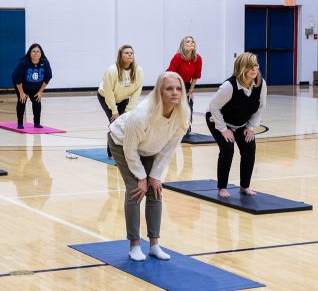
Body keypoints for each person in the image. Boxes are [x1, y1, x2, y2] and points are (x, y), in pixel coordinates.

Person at [108, 71, 191, 261]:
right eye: (169, 89)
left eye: (178, 89)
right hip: (122, 142)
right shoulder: (141, 115)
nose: (175, 93)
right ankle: (134, 245)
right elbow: (130, 150)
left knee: (155, 189)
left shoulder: (183, 115)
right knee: (135, 190)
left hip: (150, 147)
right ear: (159, 92)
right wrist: (141, 177)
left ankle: (154, 245)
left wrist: (154, 176)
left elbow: (168, 150)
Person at [206, 52, 267, 198]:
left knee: (249, 147)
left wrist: (251, 127)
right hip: (217, 120)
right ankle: (222, 187)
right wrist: (223, 129)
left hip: (241, 124)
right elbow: (213, 107)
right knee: (227, 148)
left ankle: (244, 186)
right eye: (250, 66)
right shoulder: (229, 86)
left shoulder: (261, 84)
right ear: (241, 68)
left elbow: (260, 107)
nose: (254, 69)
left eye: (256, 65)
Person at [98, 45, 143, 155]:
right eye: (126, 53)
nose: (129, 55)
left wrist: (129, 110)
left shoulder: (138, 70)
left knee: (125, 124)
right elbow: (108, 92)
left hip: (123, 98)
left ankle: (124, 151)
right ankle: (112, 153)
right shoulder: (112, 70)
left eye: (131, 53)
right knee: (114, 123)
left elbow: (137, 92)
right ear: (120, 56)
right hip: (105, 97)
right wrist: (114, 110)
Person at [11, 43, 53, 129]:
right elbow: (17, 77)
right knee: (22, 101)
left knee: (37, 101)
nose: (35, 53)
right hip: (22, 85)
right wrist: (21, 93)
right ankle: (20, 123)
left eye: (38, 51)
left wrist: (40, 92)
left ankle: (37, 123)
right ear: (30, 53)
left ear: (41, 53)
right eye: (33, 51)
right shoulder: (24, 63)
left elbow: (48, 77)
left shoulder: (45, 62)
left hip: (36, 86)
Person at [167, 35, 202, 136]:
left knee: (188, 105)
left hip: (186, 84)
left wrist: (190, 91)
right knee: (174, 106)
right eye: (188, 41)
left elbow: (195, 76)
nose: (191, 43)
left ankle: (187, 130)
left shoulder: (198, 58)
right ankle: (170, 130)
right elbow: (171, 74)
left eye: (192, 41)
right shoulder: (178, 57)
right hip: (172, 82)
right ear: (183, 45)